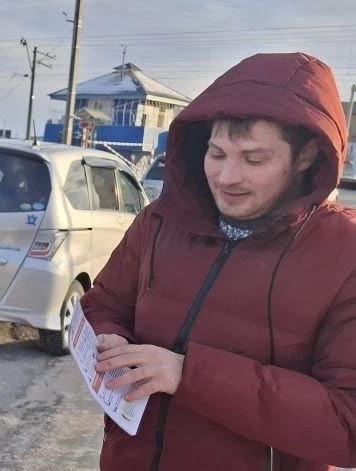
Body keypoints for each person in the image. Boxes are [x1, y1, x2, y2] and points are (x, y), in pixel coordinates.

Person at [82, 52, 356, 470]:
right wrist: (109, 339)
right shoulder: (161, 220)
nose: (227, 177)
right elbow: (103, 304)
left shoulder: (344, 252)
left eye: (254, 159)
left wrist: (188, 374)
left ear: (306, 158)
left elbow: (347, 424)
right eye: (216, 153)